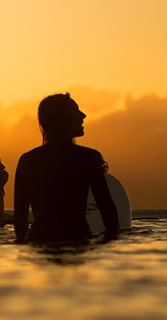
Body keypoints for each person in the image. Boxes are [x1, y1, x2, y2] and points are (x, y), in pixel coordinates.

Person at [13, 93, 119, 243]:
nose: (83, 115)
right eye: (76, 110)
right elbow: (108, 212)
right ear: (63, 117)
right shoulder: (87, 157)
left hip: (38, 242)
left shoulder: (27, 160)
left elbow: (19, 221)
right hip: (77, 239)